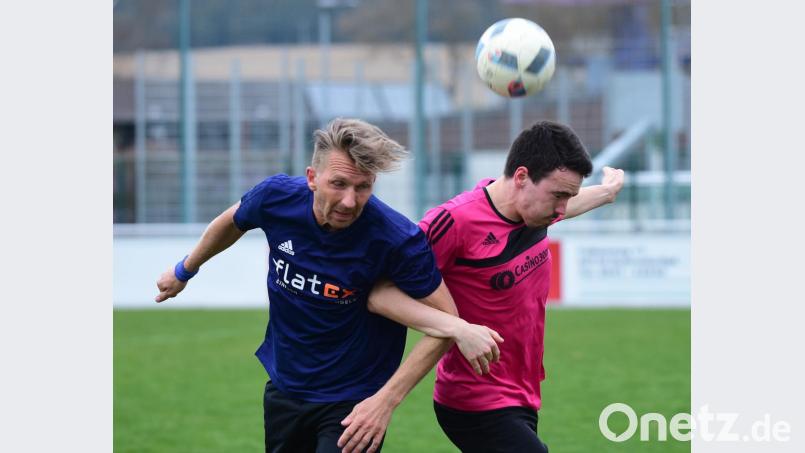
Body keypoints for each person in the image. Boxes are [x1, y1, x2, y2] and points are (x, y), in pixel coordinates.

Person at [154, 118, 503, 453]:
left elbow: (445, 320)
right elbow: (231, 222)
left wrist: (385, 401)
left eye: (363, 187)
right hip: (285, 387)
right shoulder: (276, 198)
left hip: (353, 404)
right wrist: (185, 269)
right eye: (339, 184)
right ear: (312, 178)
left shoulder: (396, 239)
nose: (350, 201)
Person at [360, 120, 625, 453]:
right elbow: (382, 292)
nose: (561, 210)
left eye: (567, 197)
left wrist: (607, 192)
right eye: (558, 195)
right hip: (474, 400)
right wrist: (456, 329)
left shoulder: (534, 209)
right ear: (521, 177)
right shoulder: (454, 222)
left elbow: (567, 204)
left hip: (522, 394)